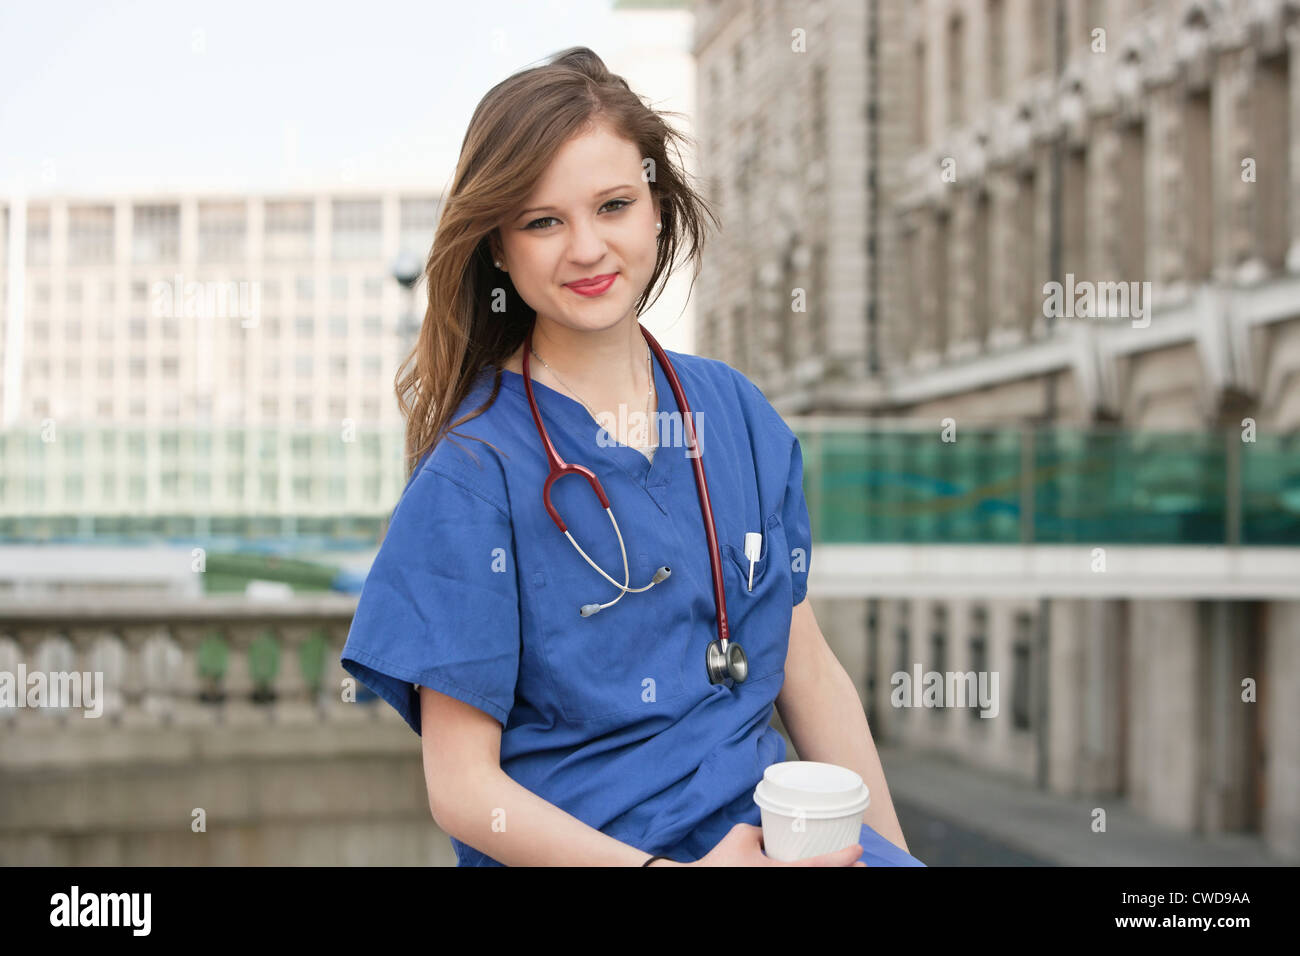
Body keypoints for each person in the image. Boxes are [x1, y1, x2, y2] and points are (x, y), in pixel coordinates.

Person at [340, 47, 923, 868]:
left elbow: (811, 672)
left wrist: (891, 856)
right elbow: (464, 791)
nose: (586, 247)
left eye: (613, 204)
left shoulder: (735, 414)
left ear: (656, 208)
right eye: (543, 221)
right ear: (499, 248)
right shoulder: (473, 474)